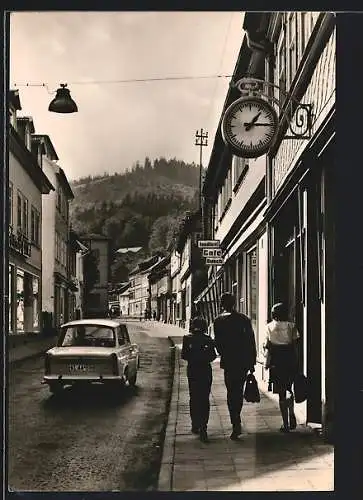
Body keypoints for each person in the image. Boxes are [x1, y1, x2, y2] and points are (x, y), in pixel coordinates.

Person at [213, 292, 257, 440]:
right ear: (234, 303)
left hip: (229, 361)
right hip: (243, 361)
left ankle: (235, 421)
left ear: (222, 304)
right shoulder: (244, 319)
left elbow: (218, 343)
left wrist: (224, 352)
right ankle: (237, 417)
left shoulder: (218, 321)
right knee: (238, 390)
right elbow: (251, 341)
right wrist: (252, 361)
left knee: (231, 391)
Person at [263, 302, 299, 433]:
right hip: (289, 359)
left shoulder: (269, 327)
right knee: (289, 387)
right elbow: (295, 346)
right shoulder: (292, 326)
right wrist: (296, 361)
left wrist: (266, 361)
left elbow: (267, 346)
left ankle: (285, 423)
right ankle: (292, 413)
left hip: (277, 362)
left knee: (281, 393)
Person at [181, 316, 217, 443]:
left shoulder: (187, 338)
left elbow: (184, 355)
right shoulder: (208, 339)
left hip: (192, 370)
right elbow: (213, 356)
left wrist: (194, 356)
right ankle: (204, 427)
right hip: (205, 371)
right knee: (204, 398)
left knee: (194, 397)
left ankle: (195, 424)